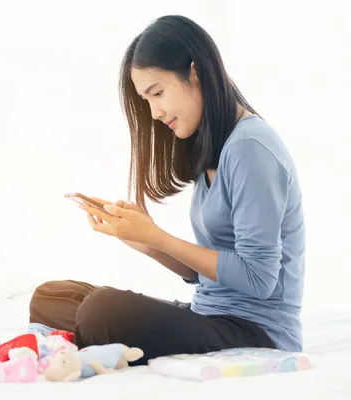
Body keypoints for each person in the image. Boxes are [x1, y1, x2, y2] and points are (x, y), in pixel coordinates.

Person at [29, 15, 305, 366]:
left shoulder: (251, 148)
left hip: (256, 333)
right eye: (146, 100)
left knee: (103, 310)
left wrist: (159, 237)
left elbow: (258, 278)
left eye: (157, 93)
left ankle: (94, 332)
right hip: (211, 314)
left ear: (195, 73)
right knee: (51, 297)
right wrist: (146, 243)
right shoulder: (216, 145)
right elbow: (203, 271)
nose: (155, 113)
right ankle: (95, 333)